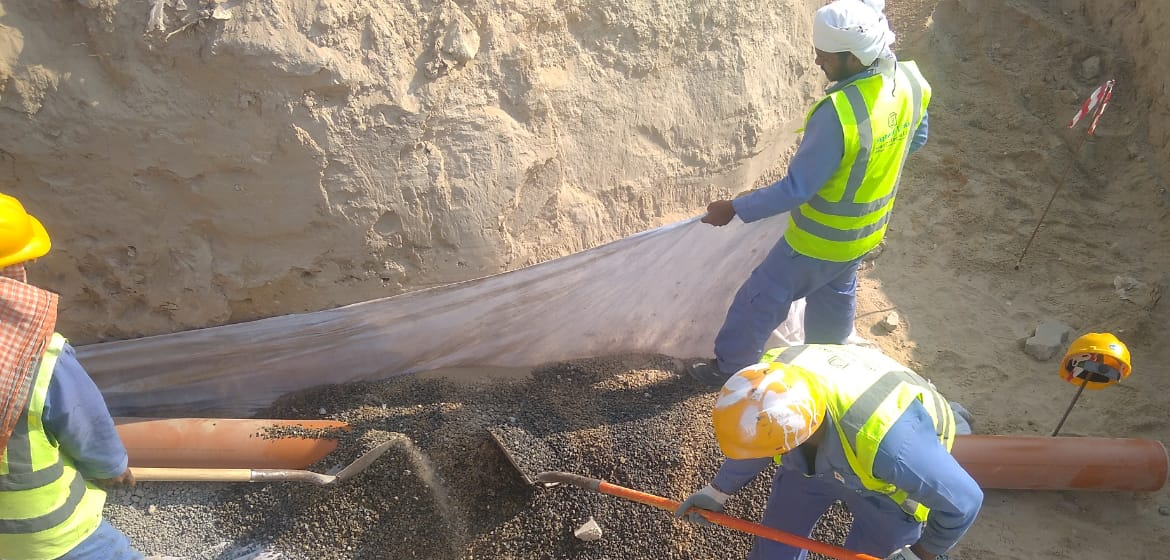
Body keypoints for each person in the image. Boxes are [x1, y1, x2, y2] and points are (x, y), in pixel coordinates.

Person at [687, 0, 931, 386]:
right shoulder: (911, 83)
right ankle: (828, 369)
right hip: (866, 234)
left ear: (853, 58)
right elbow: (916, 139)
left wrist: (734, 207)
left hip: (818, 241)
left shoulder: (840, 112)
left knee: (760, 300)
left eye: (825, 57)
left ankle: (730, 370)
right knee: (834, 298)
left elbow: (797, 189)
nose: (818, 61)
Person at [675, 344, 981, 560]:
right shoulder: (769, 380)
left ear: (797, 436)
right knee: (775, 543)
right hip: (818, 458)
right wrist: (718, 491)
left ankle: (958, 418)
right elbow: (758, 437)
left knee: (870, 554)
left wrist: (920, 554)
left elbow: (964, 502)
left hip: (888, 481)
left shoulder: (892, 450)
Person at [0, 193, 144, 560]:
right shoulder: (41, 355)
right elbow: (86, 424)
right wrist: (111, 468)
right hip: (41, 533)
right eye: (23, 261)